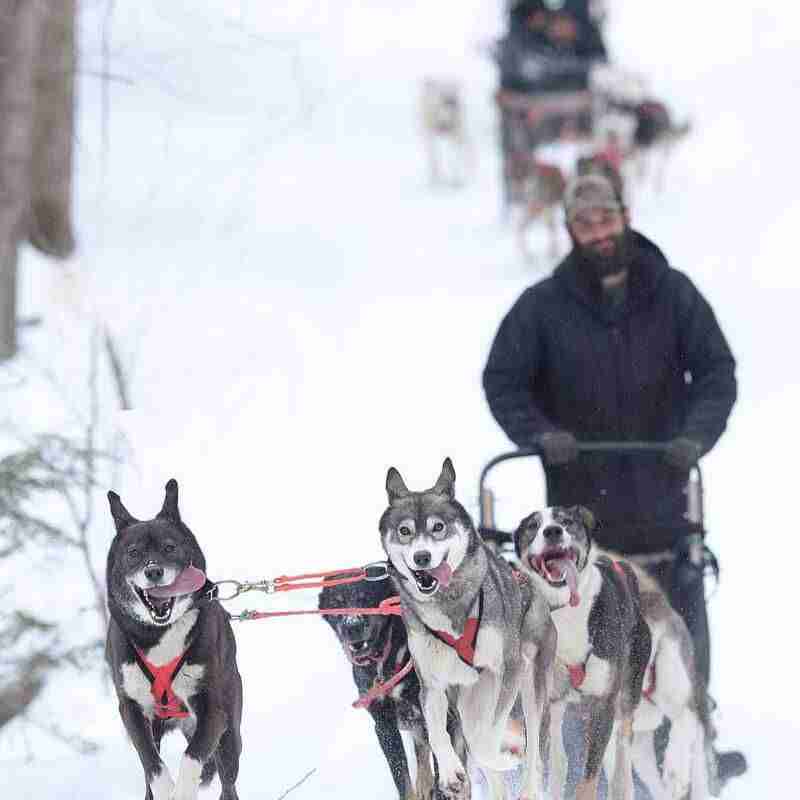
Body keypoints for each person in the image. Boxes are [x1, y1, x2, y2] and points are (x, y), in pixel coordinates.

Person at [482, 172, 746, 785]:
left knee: (677, 630)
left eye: (606, 219)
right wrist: (539, 434)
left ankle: (690, 743)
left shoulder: (673, 294)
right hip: (580, 525)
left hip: (662, 501)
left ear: (624, 216)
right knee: (582, 642)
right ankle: (586, 768)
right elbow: (503, 379)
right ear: (570, 228)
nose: (598, 232)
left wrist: (693, 437)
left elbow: (716, 372)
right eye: (585, 223)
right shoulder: (542, 307)